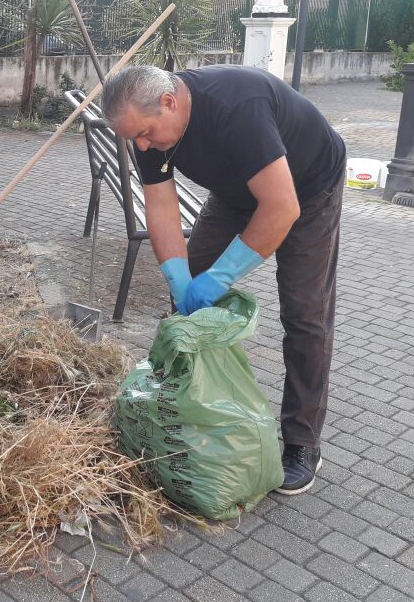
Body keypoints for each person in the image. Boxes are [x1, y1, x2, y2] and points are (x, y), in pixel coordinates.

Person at [101, 64, 346, 495]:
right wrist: (178, 275)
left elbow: (281, 207)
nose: (141, 144)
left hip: (306, 192)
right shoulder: (146, 124)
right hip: (235, 193)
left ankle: (303, 443)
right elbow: (160, 204)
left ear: (169, 102)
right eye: (133, 139)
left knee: (304, 313)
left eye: (145, 134)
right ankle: (187, 403)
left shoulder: (238, 107)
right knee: (186, 297)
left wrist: (221, 277)